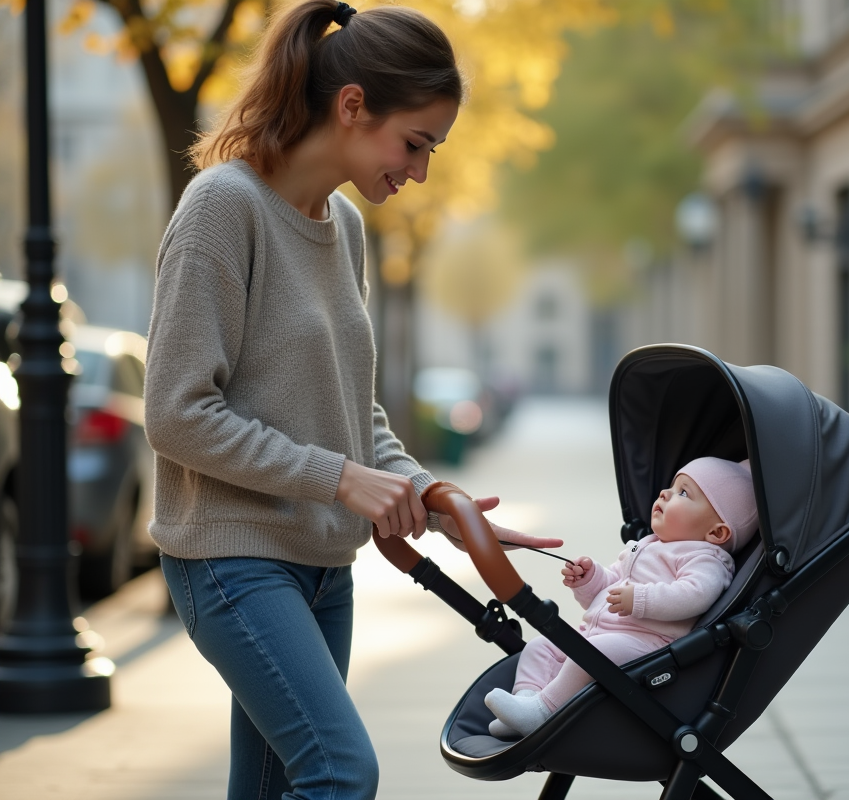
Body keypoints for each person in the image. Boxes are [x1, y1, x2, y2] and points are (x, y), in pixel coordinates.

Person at [143, 3, 560, 799]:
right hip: (231, 559)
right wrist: (340, 479)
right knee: (339, 770)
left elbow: (353, 410)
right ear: (352, 106)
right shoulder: (222, 208)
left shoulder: (342, 224)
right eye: (416, 143)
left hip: (324, 566)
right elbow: (174, 413)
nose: (421, 171)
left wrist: (436, 500)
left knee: (273, 785)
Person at [484, 457, 758, 737]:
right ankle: (526, 702)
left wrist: (640, 599)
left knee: (593, 655)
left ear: (717, 532)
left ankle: (543, 711)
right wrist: (590, 580)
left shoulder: (705, 559)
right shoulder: (647, 545)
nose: (665, 493)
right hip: (599, 634)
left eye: (683, 493)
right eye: (672, 486)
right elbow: (612, 587)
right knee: (541, 647)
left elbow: (695, 594)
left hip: (646, 647)